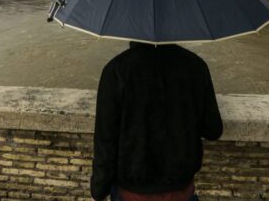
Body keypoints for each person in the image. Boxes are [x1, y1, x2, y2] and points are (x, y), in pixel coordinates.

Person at [90, 41, 223, 201]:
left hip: (132, 193)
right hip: (180, 192)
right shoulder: (196, 66)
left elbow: (105, 143)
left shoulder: (116, 71)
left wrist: (99, 189)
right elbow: (213, 130)